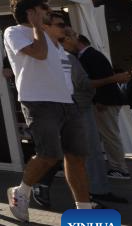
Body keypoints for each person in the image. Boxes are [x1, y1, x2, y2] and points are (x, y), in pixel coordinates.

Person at [3, 0, 92, 222]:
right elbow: (39, 54)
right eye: (44, 8)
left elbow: (60, 66)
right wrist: (36, 27)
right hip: (38, 101)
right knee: (49, 155)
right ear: (30, 12)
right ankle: (21, 191)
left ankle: (85, 216)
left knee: (77, 157)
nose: (48, 13)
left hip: (66, 103)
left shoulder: (47, 36)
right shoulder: (14, 32)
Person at [32, 15, 126, 209]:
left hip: (76, 108)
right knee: (62, 154)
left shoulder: (70, 58)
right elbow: (81, 84)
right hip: (66, 109)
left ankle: (86, 201)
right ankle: (33, 186)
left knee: (76, 155)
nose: (73, 37)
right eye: (67, 32)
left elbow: (79, 84)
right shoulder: (53, 56)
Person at [75, 34, 131, 181]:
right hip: (105, 101)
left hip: (105, 102)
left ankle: (120, 169)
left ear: (79, 42)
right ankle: (114, 166)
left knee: (110, 135)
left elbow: (101, 79)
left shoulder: (90, 56)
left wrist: (100, 100)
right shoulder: (90, 55)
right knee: (105, 135)